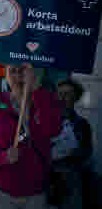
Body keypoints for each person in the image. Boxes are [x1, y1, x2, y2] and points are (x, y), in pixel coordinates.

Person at [0, 63, 62, 209]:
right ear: (6, 75)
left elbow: (53, 130)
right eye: (13, 71)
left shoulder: (46, 100)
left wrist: (36, 90)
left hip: (35, 192)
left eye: (23, 71)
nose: (18, 76)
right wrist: (4, 157)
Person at [49, 78, 93, 208]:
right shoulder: (45, 121)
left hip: (69, 177)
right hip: (46, 179)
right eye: (60, 93)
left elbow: (87, 151)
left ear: (75, 99)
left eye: (67, 94)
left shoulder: (82, 124)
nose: (62, 97)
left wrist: (75, 153)